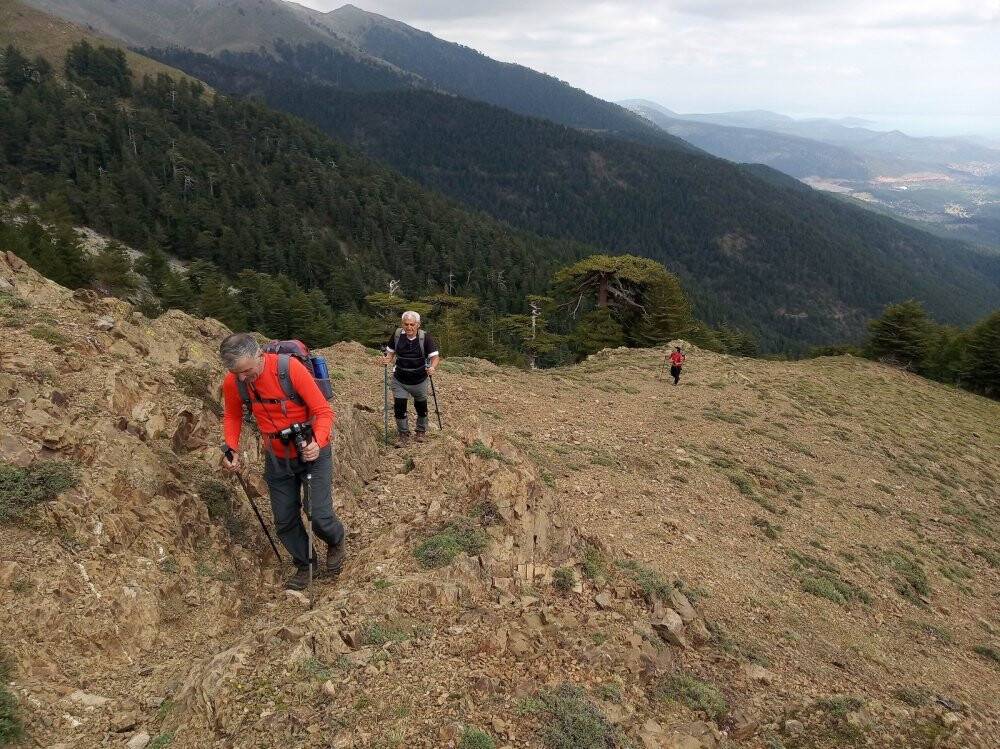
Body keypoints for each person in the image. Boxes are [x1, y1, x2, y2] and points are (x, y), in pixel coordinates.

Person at [218, 333, 346, 591]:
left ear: (259, 356)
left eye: (246, 371)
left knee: (318, 514)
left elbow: (323, 411)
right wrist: (231, 449)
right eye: (236, 373)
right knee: (285, 520)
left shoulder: (289, 369)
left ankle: (336, 541)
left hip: (311, 450)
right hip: (276, 456)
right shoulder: (235, 381)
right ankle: (305, 563)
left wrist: (317, 442)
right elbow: (232, 415)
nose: (242, 378)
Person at [379, 311, 440, 447]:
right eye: (406, 324)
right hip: (400, 378)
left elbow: (435, 357)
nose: (409, 327)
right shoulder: (396, 335)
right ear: (402, 324)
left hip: (420, 379)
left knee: (421, 407)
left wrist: (433, 367)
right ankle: (403, 434)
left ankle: (421, 431)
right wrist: (387, 359)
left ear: (418, 325)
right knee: (399, 407)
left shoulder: (425, 337)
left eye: (412, 324)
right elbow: (390, 352)